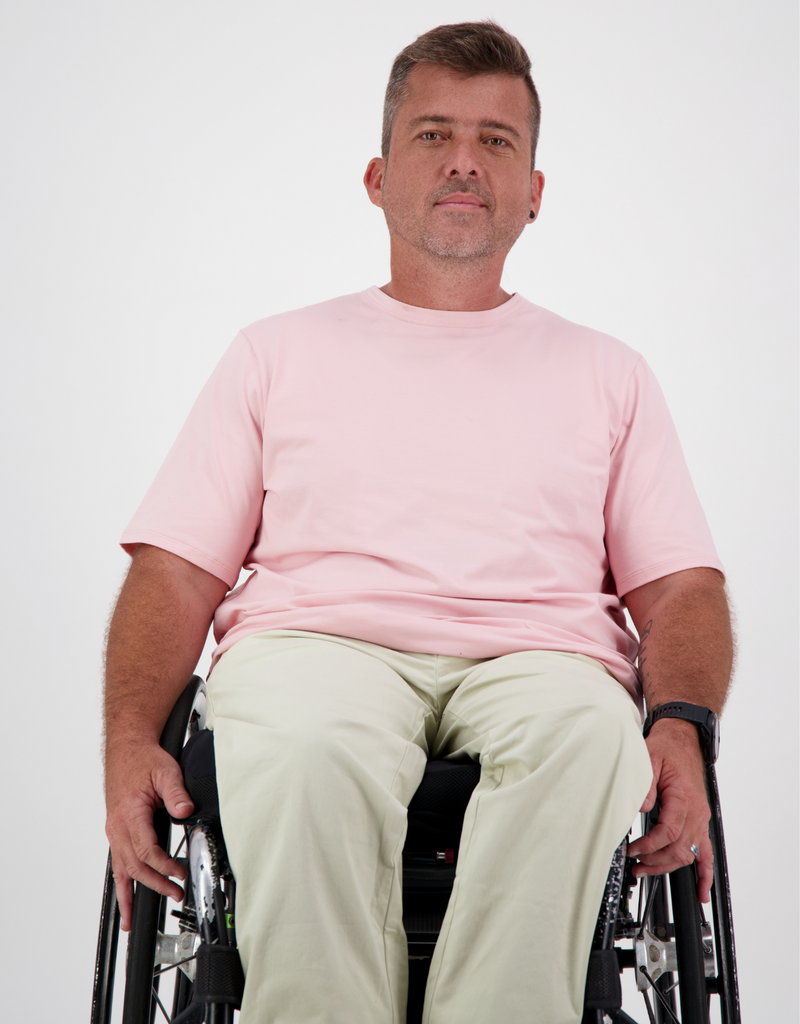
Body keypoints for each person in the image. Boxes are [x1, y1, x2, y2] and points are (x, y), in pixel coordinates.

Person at [103, 21, 734, 1024]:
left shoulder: (606, 372)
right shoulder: (275, 353)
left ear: (533, 189)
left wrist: (683, 724)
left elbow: (683, 588)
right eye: (434, 134)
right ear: (376, 175)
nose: (462, 162)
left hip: (540, 658)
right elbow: (175, 570)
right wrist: (128, 738)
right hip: (318, 644)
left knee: (584, 733)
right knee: (302, 737)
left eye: (495, 141)